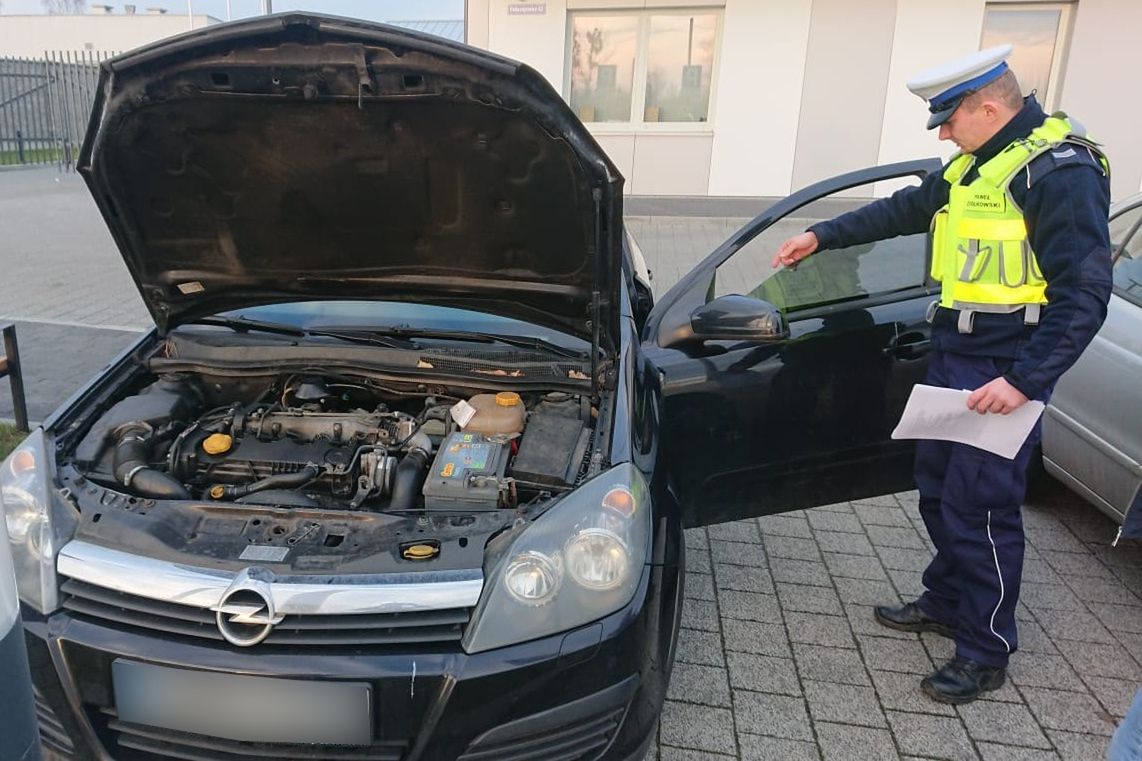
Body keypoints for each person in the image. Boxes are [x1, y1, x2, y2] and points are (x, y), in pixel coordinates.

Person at [772, 45, 1112, 705]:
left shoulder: (1058, 173)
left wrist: (1024, 380)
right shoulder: (977, 165)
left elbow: (1084, 297)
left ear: (989, 106)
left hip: (1005, 365)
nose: (942, 133)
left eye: (949, 120)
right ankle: (949, 597)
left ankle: (986, 648)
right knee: (934, 484)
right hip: (955, 355)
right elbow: (905, 208)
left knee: (979, 506)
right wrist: (822, 236)